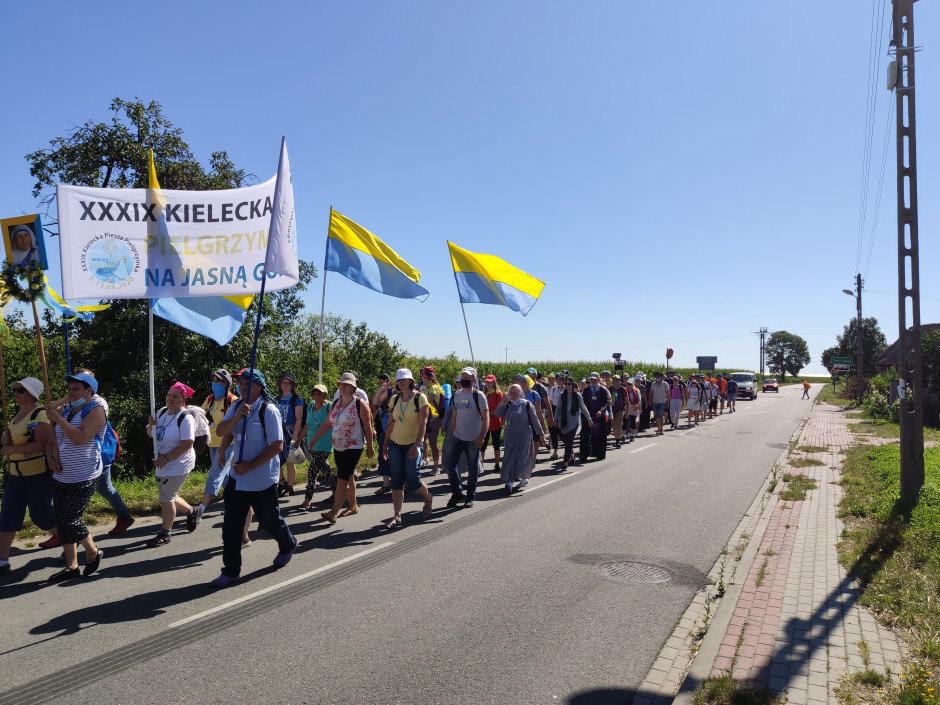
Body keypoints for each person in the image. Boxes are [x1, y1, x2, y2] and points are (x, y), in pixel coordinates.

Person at [211, 368, 298, 587]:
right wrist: (222, 450)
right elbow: (223, 431)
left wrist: (249, 466)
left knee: (269, 521)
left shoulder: (268, 410)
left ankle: (288, 544)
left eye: (246, 383)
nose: (241, 386)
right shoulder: (237, 406)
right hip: (238, 479)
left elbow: (277, 445)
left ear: (259, 385)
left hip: (262, 479)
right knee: (231, 527)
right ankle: (231, 571)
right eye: (239, 383)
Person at [44, 373, 106, 581]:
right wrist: (50, 458)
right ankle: (72, 565)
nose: (71, 392)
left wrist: (59, 418)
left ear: (89, 391)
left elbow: (80, 438)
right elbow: (51, 439)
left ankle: (92, 551)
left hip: (84, 474)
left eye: (76, 388)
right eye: (69, 388)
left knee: (70, 520)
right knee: (62, 522)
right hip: (61, 475)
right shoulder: (67, 410)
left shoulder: (95, 411)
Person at [0, 377, 56, 574]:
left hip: (37, 474)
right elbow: (11, 443)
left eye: (21, 390)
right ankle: (2, 561)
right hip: (14, 475)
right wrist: (5, 441)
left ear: (32, 394)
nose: (15, 392)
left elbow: (42, 445)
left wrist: (10, 449)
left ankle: (71, 540)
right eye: (15, 389)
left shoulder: (39, 415)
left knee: (42, 515)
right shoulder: (16, 416)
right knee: (7, 516)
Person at [70, 367, 134, 536]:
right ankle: (67, 531)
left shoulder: (98, 403)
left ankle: (68, 532)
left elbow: (87, 426)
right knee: (103, 490)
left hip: (98, 453)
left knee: (104, 490)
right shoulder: (72, 401)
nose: (76, 387)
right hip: (77, 456)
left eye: (83, 382)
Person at [309, 372, 375, 524]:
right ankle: (353, 505)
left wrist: (370, 446)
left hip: (354, 446)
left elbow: (368, 426)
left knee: (342, 477)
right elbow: (327, 423)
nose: (343, 386)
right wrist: (315, 438)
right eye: (341, 384)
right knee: (349, 475)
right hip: (338, 445)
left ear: (353, 388)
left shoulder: (360, 404)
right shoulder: (336, 404)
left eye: (347, 384)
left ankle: (333, 512)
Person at [145, 382, 199, 546]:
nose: (170, 398)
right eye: (169, 395)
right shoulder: (161, 412)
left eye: (175, 396)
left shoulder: (185, 418)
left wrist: (166, 458)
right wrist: (151, 425)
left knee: (166, 498)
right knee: (169, 496)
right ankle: (191, 511)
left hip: (179, 462)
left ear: (183, 399)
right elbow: (150, 434)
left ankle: (165, 533)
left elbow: (188, 443)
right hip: (162, 461)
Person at [381, 369, 434, 529]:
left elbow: (423, 423)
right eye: (399, 380)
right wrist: (384, 446)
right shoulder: (395, 399)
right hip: (396, 444)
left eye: (404, 379)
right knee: (395, 480)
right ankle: (397, 515)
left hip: (412, 444)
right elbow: (391, 423)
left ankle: (428, 497)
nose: (401, 382)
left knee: (413, 479)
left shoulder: (420, 398)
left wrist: (417, 445)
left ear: (411, 381)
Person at [442, 367, 489, 508]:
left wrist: (482, 436)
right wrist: (451, 434)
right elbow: (455, 415)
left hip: (474, 439)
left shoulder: (478, 395)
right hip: (457, 437)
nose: (464, 380)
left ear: (474, 380)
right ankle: (457, 493)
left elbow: (486, 417)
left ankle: (470, 496)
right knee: (449, 465)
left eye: (467, 378)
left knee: (473, 469)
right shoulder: (456, 395)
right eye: (463, 377)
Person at [196, 369, 238, 520]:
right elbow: (199, 415)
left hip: (228, 444)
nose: (214, 383)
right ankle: (237, 503)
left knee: (215, 475)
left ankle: (199, 510)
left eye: (218, 380)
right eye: (213, 380)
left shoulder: (233, 400)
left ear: (226, 384)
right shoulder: (210, 399)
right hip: (212, 443)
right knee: (225, 478)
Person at [494, 384, 545, 493]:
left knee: (522, 457)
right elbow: (498, 413)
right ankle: (511, 480)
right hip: (510, 434)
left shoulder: (526, 404)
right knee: (510, 456)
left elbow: (535, 420)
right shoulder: (508, 404)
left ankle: (514, 480)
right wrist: (502, 402)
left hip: (524, 434)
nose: (512, 395)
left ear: (520, 392)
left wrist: (541, 434)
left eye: (515, 392)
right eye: (510, 393)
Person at [299, 384, 332, 511]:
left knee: (312, 469)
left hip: (325, 443)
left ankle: (307, 501)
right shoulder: (311, 405)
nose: (316, 395)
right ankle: (336, 492)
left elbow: (327, 424)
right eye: (314, 393)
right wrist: (299, 438)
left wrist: (314, 439)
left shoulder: (329, 406)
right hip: (312, 443)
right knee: (325, 469)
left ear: (325, 395)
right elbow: (307, 425)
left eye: (319, 393)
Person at [552, 378, 592, 470]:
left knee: (569, 442)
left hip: (573, 422)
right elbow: (558, 408)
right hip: (563, 422)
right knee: (566, 442)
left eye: (569, 384)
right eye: (566, 384)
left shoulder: (577, 395)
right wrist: (555, 418)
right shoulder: (562, 395)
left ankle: (565, 463)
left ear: (573, 385)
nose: (567, 385)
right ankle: (572, 455)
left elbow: (583, 408)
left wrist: (589, 419)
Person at [276, 373, 304, 496]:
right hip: (278, 434)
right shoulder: (278, 399)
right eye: (283, 382)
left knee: (289, 461)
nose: (285, 385)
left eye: (288, 383)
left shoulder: (296, 400)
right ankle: (281, 482)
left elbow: (298, 419)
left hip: (290, 433)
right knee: (276, 460)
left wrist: (294, 437)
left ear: (292, 385)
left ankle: (290, 486)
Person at [371, 373, 394, 496]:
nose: (381, 385)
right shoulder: (383, 393)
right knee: (383, 456)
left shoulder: (393, 392)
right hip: (384, 430)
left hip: (396, 431)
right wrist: (380, 389)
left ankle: (403, 483)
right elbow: (375, 403)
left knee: (396, 457)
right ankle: (386, 485)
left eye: (383, 383)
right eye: (379, 384)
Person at [419, 366, 445, 474]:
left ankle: (436, 467)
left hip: (434, 418)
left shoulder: (433, 388)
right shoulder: (431, 387)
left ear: (426, 377)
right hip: (430, 418)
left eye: (422, 377)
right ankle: (423, 461)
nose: (421, 380)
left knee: (433, 442)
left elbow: (427, 404)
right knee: (423, 440)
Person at [582, 372, 610, 460]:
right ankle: (585, 454)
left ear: (598, 379)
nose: (593, 381)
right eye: (591, 380)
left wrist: (601, 411)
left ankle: (600, 454)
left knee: (600, 434)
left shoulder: (603, 390)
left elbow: (606, 403)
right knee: (586, 434)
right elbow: (583, 403)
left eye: (595, 380)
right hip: (588, 415)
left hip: (599, 416)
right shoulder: (586, 390)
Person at [482, 374, 504, 471]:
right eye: (486, 382)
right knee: (483, 444)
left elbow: (500, 408)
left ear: (494, 383)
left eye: (490, 382)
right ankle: (480, 465)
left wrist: (490, 412)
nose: (488, 384)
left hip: (495, 422)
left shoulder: (498, 394)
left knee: (496, 444)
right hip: (485, 423)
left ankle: (497, 464)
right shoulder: (483, 393)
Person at [648, 371, 669, 436]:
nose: (657, 377)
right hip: (655, 402)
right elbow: (651, 393)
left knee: (661, 415)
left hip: (662, 402)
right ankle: (658, 428)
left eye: (659, 376)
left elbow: (668, 394)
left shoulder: (665, 384)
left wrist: (668, 402)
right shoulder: (653, 384)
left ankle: (662, 429)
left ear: (661, 377)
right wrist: (649, 400)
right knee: (656, 416)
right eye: (656, 376)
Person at [609, 375, 627, 447]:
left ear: (620, 381)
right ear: (612, 381)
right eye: (615, 379)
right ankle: (616, 438)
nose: (616, 381)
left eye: (618, 379)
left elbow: (627, 401)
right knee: (614, 426)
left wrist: (627, 411)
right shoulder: (610, 389)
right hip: (612, 410)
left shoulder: (623, 389)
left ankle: (617, 441)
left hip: (620, 409)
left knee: (619, 425)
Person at [624, 377, 642, 441]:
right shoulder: (624, 390)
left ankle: (632, 434)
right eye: (628, 384)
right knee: (625, 421)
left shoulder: (636, 391)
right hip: (626, 408)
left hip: (633, 408)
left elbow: (639, 400)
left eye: (630, 384)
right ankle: (623, 435)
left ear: (633, 385)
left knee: (632, 421)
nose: (629, 385)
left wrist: (638, 406)